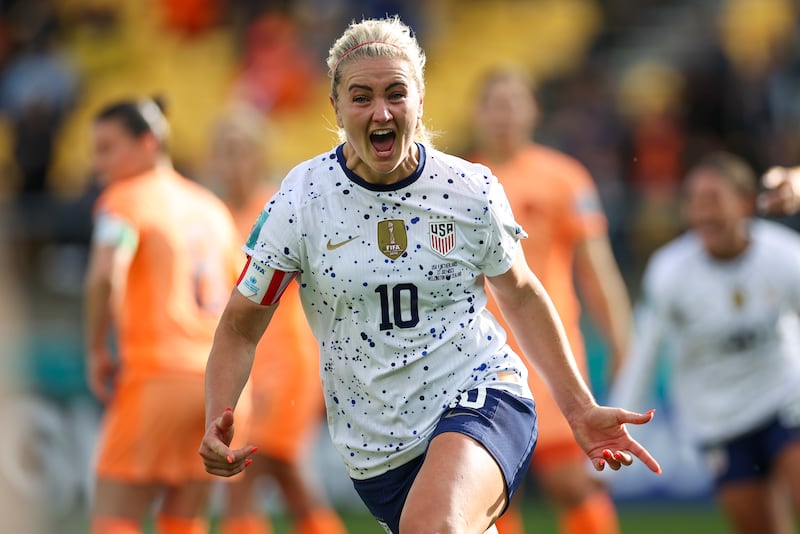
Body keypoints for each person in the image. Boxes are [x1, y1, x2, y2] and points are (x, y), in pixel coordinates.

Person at [199, 16, 662, 534]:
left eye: (396, 93)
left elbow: (524, 294)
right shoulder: (301, 198)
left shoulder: (469, 189)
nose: (381, 111)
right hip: (376, 448)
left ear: (420, 99)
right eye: (361, 96)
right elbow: (241, 324)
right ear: (335, 107)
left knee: (435, 526)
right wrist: (219, 410)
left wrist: (578, 408)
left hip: (481, 392)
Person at [469, 67, 632, 534]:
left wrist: (622, 343)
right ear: (478, 114)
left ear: (533, 110)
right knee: (492, 491)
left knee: (571, 482)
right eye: (493, 105)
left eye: (512, 103)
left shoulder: (564, 178)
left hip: (549, 350)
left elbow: (597, 272)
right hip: (482, 355)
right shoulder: (460, 182)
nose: (503, 115)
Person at [611, 152, 800, 534]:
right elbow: (644, 358)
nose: (703, 212)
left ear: (746, 203)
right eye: (694, 201)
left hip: (784, 400)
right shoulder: (670, 272)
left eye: (714, 199)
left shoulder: (785, 255)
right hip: (718, 421)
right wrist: (616, 433)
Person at [84, 97, 245, 534]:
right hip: (212, 385)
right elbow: (239, 301)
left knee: (114, 517)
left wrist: (98, 348)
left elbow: (105, 275)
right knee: (182, 521)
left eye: (106, 148)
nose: (97, 164)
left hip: (156, 376)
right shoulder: (212, 209)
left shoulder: (124, 199)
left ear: (148, 143)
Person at [206, 108, 346, 534]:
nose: (234, 162)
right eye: (225, 152)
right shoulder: (210, 215)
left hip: (285, 361)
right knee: (289, 479)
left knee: (243, 479)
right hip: (247, 365)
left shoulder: (278, 207)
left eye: (242, 151)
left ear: (259, 155)